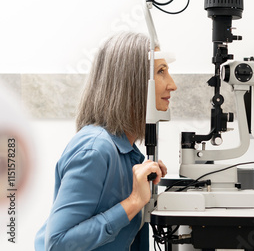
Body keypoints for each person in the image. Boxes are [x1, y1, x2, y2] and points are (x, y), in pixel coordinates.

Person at [35, 31, 177, 251]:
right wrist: (132, 202)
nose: (172, 85)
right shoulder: (95, 149)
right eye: (161, 72)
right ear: (132, 82)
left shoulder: (127, 152)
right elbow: (57, 244)